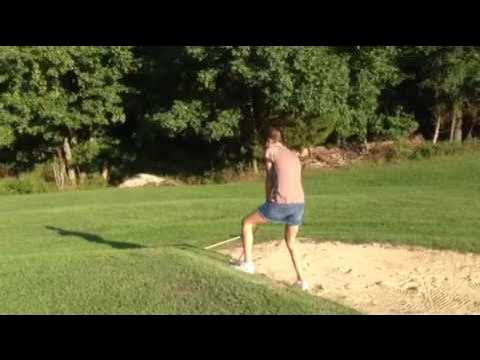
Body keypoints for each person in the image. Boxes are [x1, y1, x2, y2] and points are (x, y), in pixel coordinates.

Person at [233, 126, 309, 291]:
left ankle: (248, 264)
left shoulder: (270, 151)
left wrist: (268, 199)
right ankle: (302, 281)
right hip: (299, 204)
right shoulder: (291, 154)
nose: (264, 146)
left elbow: (269, 179)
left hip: (281, 203)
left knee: (246, 223)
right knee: (291, 241)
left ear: (268, 141)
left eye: (264, 142)